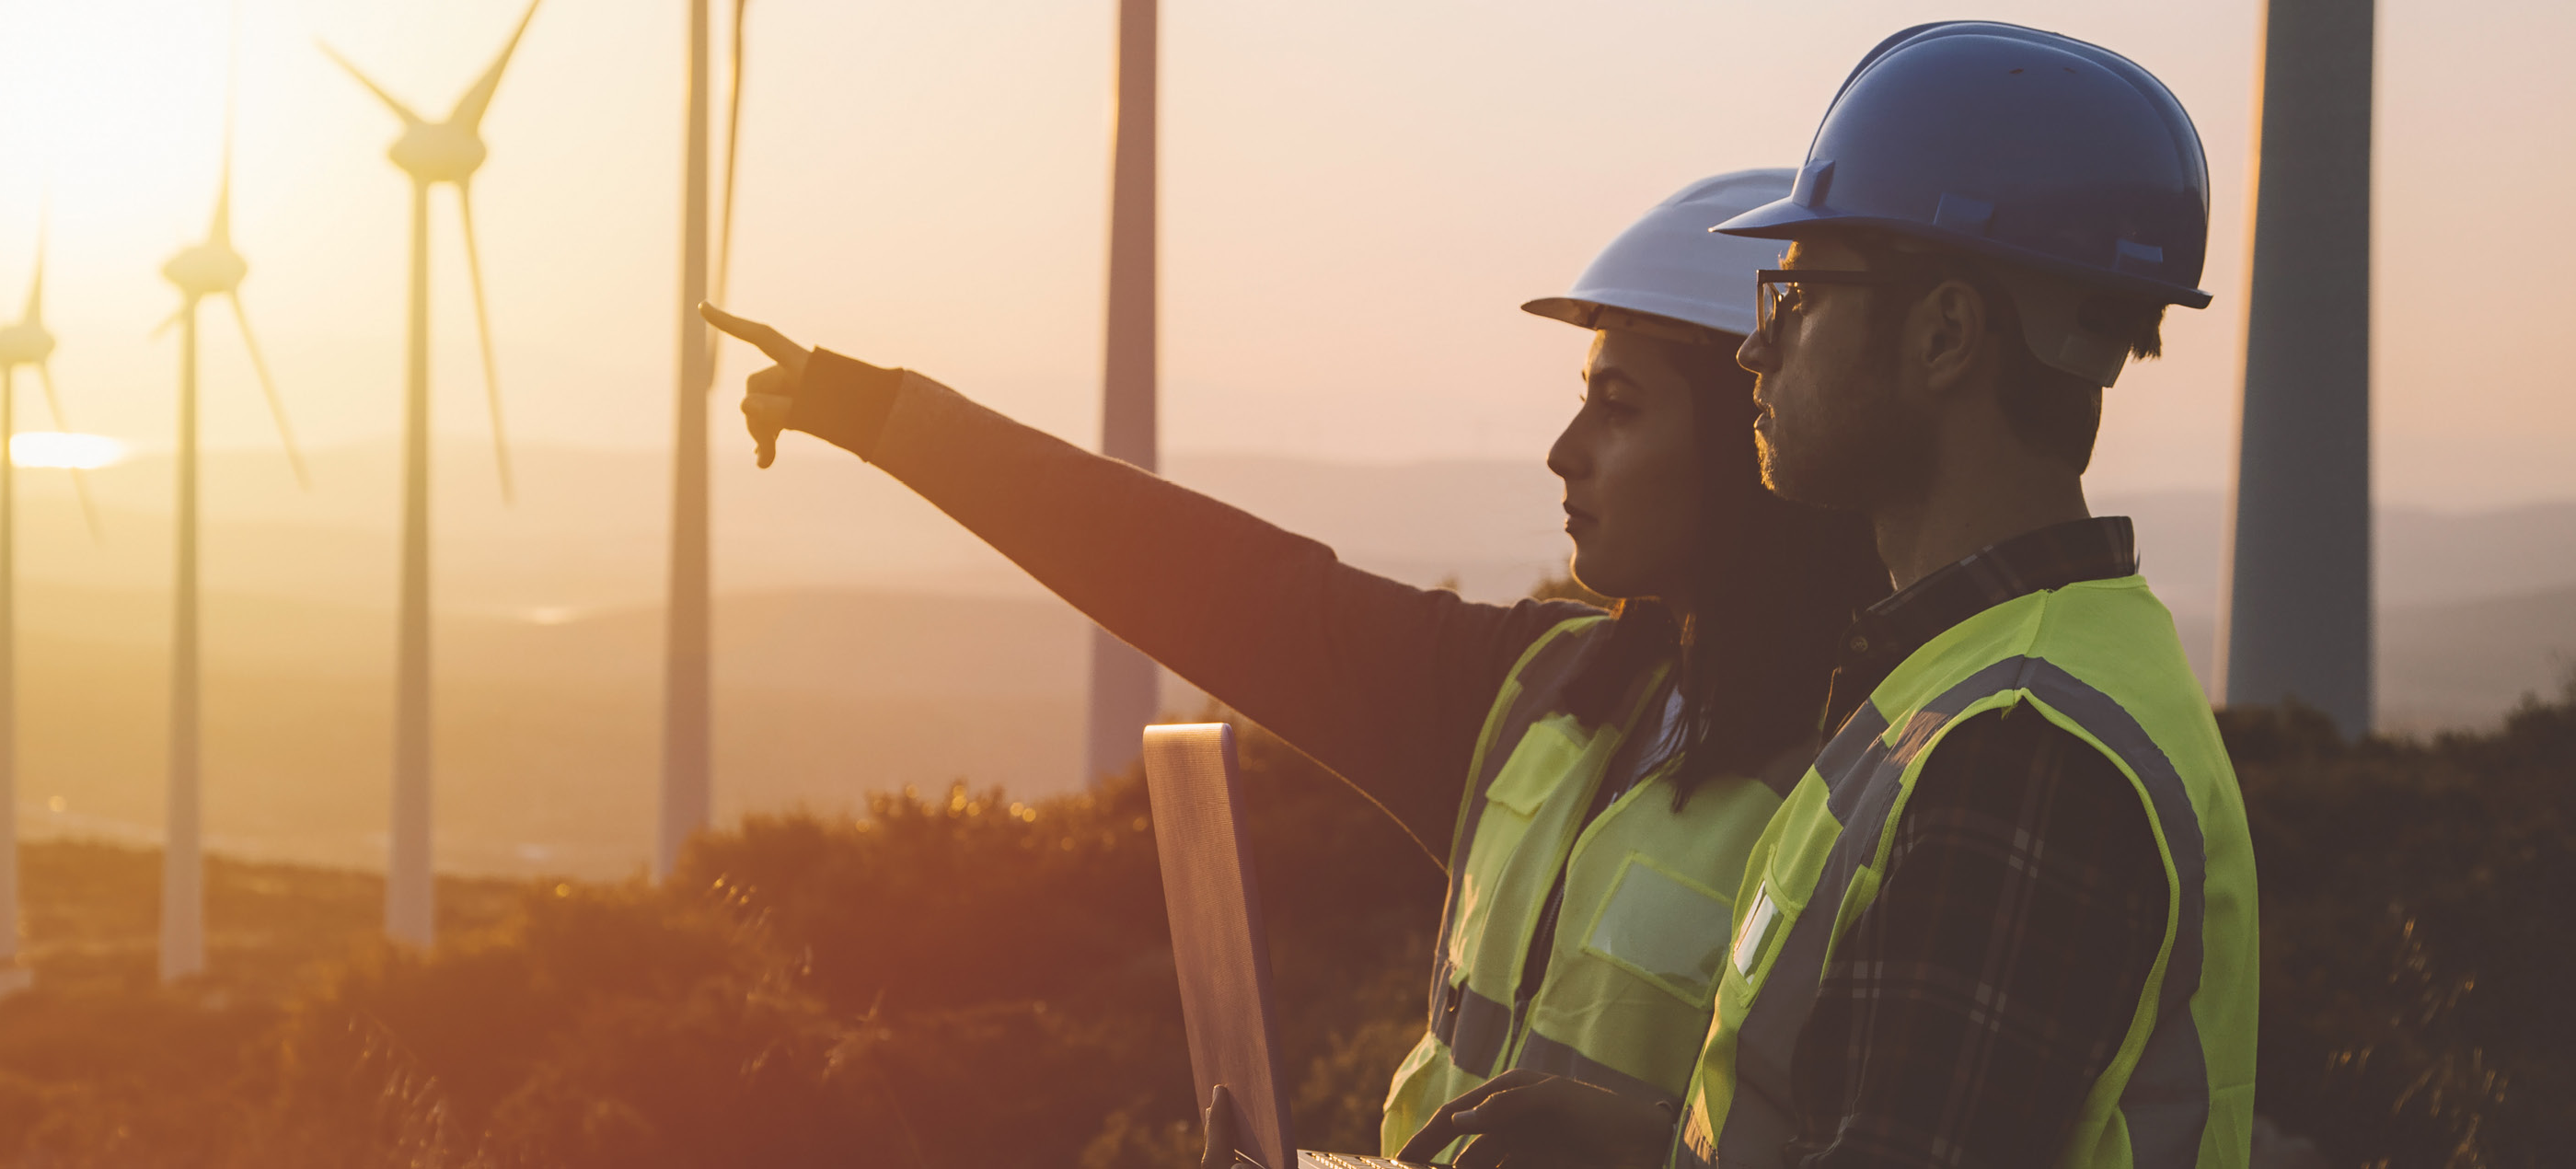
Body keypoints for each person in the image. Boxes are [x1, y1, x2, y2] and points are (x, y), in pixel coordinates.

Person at [700, 169, 1887, 1159]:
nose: (1563, 452)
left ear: (1750, 442)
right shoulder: (1536, 694)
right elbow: (1209, 581)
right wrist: (870, 413)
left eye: (1617, 409)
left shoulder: (1874, 774)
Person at [1404, 22, 2262, 1169]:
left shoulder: (2016, 749)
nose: (1757, 349)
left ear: (1944, 333)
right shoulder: (1976, 683)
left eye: (1797, 294)